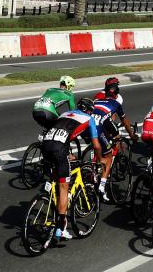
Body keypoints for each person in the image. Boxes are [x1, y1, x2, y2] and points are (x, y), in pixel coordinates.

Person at [40, 98, 101, 241]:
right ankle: (60, 229)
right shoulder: (89, 118)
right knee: (64, 187)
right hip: (59, 149)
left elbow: (64, 133)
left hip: (46, 145)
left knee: (56, 179)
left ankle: (48, 194)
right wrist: (98, 161)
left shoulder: (65, 114)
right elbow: (96, 146)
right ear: (89, 110)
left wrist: (69, 154)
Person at [92, 82, 138, 202]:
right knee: (108, 156)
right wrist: (132, 135)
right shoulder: (116, 103)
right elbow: (124, 121)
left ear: (105, 93)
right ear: (116, 95)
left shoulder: (96, 102)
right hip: (100, 127)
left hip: (88, 126)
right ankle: (101, 187)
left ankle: (92, 168)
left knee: (99, 143)